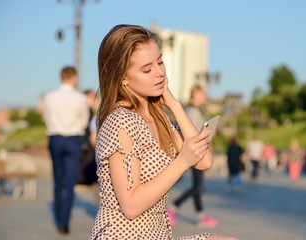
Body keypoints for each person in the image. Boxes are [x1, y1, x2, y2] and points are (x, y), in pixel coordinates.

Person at [89, 24, 238, 240]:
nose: (159, 73)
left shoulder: (159, 116)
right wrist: (181, 162)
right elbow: (130, 205)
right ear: (123, 78)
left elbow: (204, 161)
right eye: (147, 69)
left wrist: (174, 105)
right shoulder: (120, 122)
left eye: (160, 61)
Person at [43, 66, 89, 234]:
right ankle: (64, 221)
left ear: (60, 77)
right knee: (70, 183)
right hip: (74, 140)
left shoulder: (49, 97)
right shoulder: (80, 98)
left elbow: (46, 117)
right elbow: (84, 121)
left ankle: (58, 216)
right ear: (74, 78)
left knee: (57, 180)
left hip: (55, 139)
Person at [167, 85, 218, 229]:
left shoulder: (194, 111)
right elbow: (191, 133)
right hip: (196, 153)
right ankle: (173, 207)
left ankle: (200, 215)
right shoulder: (192, 111)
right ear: (195, 94)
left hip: (198, 152)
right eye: (203, 94)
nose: (205, 97)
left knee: (197, 185)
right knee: (198, 185)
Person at [77, 90, 98, 186]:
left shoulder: (87, 110)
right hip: (85, 141)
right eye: (91, 98)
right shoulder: (86, 110)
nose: (93, 100)